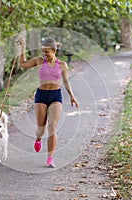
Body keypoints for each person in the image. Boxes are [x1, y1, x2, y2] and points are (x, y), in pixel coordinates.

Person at [17, 37, 79, 168]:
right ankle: (38, 139)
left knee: (52, 127)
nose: (44, 54)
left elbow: (66, 82)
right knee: (41, 129)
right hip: (41, 95)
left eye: (47, 52)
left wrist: (72, 96)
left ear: (54, 50)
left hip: (56, 95)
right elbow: (23, 64)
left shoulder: (62, 65)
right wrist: (22, 48)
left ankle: (50, 158)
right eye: (43, 51)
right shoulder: (39, 61)